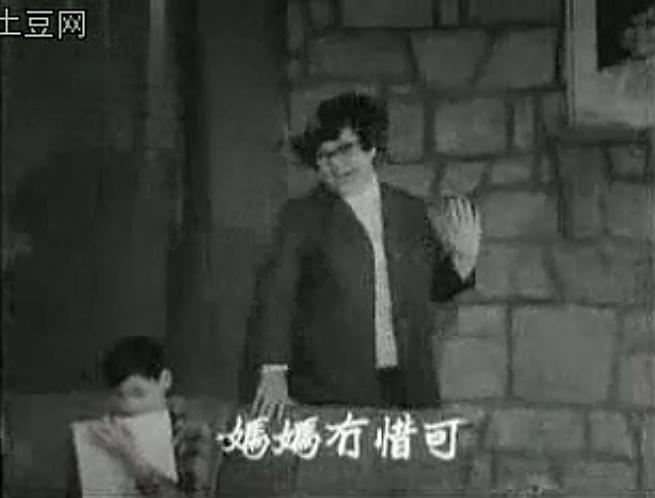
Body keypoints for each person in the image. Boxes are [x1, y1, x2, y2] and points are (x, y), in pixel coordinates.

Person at [249, 92, 481, 419]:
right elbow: (277, 295)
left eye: (345, 150)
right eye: (324, 156)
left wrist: (463, 262)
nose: (335, 165)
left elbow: (429, 292)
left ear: (371, 148)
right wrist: (273, 371)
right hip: (331, 388)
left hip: (409, 386)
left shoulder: (410, 211)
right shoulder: (300, 217)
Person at [66, 336, 219, 498]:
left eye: (138, 393)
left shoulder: (193, 431)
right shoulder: (102, 429)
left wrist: (132, 460)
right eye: (119, 395)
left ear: (165, 380)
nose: (129, 406)